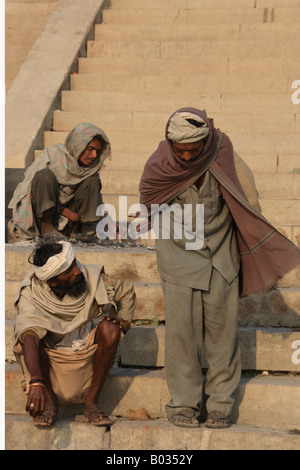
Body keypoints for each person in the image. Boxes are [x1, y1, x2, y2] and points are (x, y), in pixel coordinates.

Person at [139, 107, 300, 429]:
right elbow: (149, 199)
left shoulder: (223, 153)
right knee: (182, 335)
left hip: (220, 257)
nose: (186, 155)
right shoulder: (160, 163)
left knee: (222, 335)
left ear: (206, 140)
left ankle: (220, 406)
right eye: (180, 150)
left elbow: (248, 200)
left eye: (193, 149)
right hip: (177, 257)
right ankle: (183, 405)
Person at [13, 239, 136, 427]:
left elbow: (126, 291)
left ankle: (91, 403)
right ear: (53, 280)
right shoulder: (32, 293)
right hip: (51, 358)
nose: (77, 271)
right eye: (68, 270)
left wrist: (124, 321)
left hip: (86, 353)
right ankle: (50, 403)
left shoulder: (92, 278)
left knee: (111, 329)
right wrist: (36, 382)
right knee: (27, 338)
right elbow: (29, 332)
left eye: (74, 264)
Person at [8, 123, 111, 242]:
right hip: (42, 221)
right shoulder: (52, 156)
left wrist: (106, 222)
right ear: (78, 145)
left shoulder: (91, 170)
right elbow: (27, 190)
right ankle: (47, 228)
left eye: (97, 151)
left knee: (92, 180)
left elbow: (96, 202)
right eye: (90, 149)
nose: (94, 155)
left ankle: (86, 232)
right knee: (44, 176)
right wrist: (64, 211)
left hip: (71, 226)